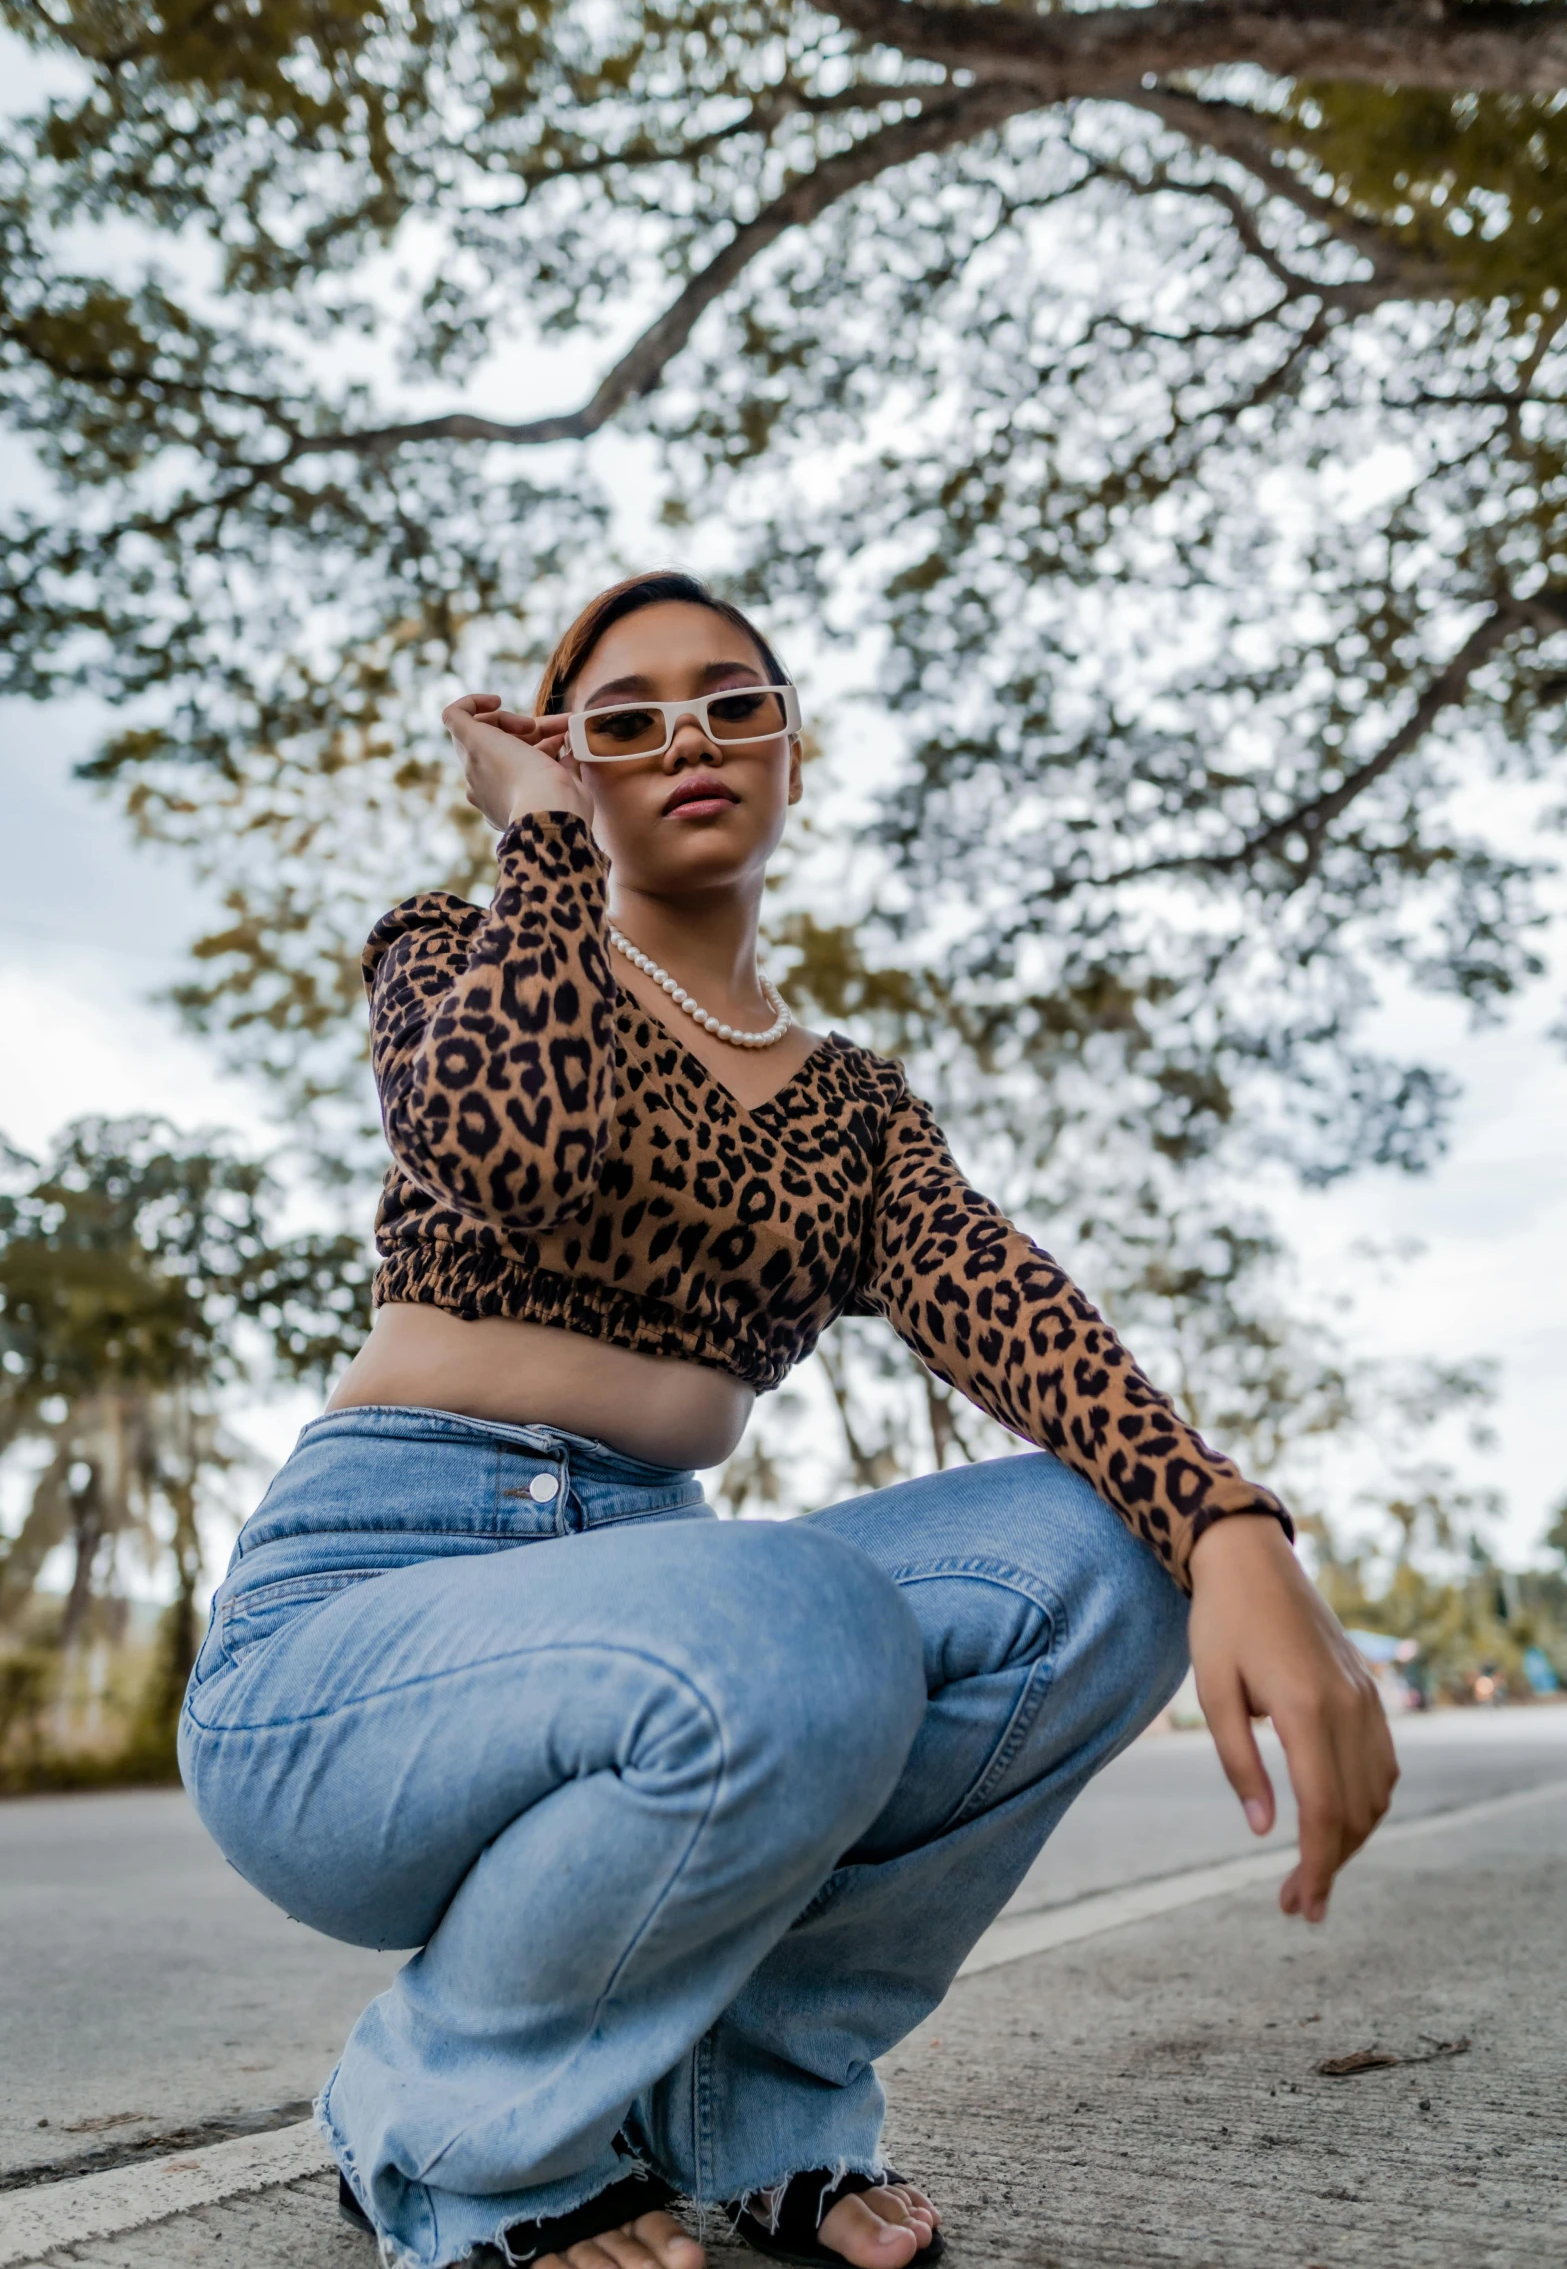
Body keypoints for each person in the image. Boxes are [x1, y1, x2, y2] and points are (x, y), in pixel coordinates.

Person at [179, 571, 1397, 2269]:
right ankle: (449, 2129)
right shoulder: (452, 948)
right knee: (794, 1613)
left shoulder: (850, 1109)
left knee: (1101, 1555)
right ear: (562, 760)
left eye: (731, 700)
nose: (685, 736)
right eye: (623, 718)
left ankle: (746, 2108)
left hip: (680, 1612)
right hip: (358, 1646)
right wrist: (537, 841)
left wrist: (1228, 1526)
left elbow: (1013, 1310)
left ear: (790, 754)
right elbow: (511, 1153)